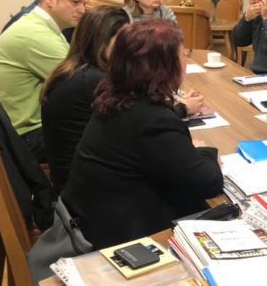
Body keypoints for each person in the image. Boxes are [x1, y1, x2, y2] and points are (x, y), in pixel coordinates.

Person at [60, 19, 223, 249]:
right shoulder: (153, 120)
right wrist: (204, 151)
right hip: (125, 240)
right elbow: (209, 183)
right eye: (183, 54)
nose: (185, 59)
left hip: (92, 219)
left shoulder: (115, 97)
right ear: (166, 66)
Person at [0, 0, 87, 162]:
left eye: (84, 4)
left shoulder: (41, 26)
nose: (82, 10)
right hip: (25, 137)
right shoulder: (35, 34)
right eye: (75, 2)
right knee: (108, 139)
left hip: (20, 129)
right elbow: (82, 83)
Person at [40, 6, 128, 194]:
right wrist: (180, 109)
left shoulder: (75, 70)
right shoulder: (94, 80)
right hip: (86, 191)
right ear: (101, 41)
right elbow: (136, 125)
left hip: (69, 180)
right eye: (122, 41)